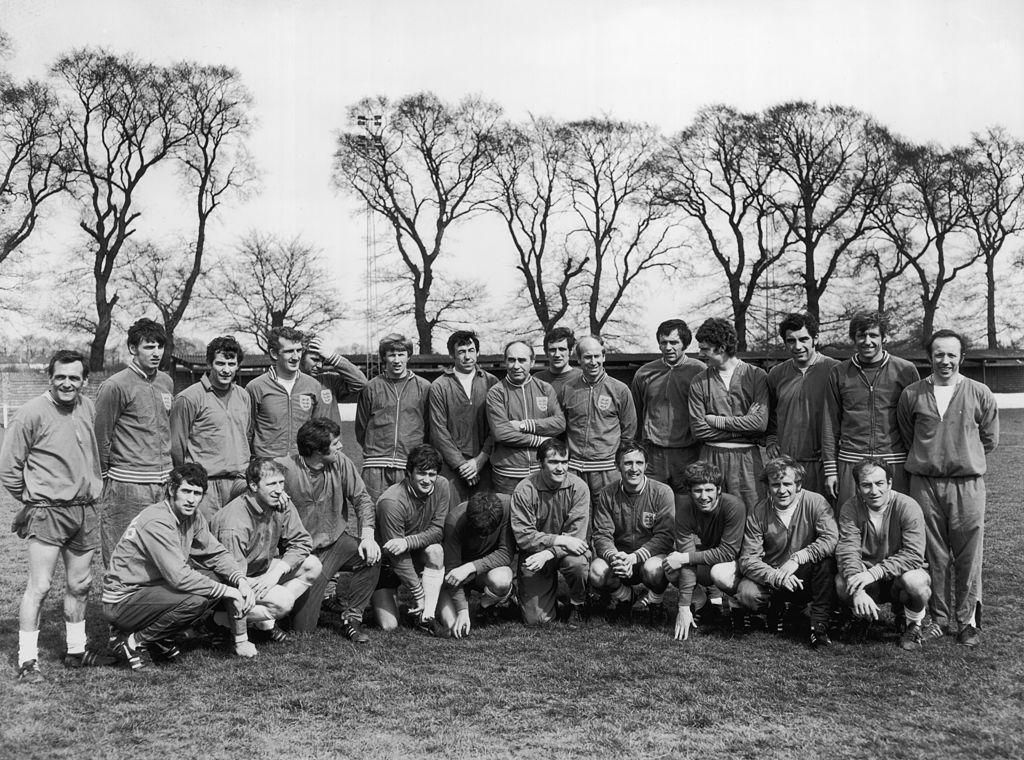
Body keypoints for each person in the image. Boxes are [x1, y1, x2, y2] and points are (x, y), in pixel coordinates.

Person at [1, 350, 110, 682]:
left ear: (84, 381)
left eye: (74, 378)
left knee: (81, 584)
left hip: (85, 510)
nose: (67, 383)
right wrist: (34, 499)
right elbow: (8, 469)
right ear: (50, 377)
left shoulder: (88, 408)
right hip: (49, 512)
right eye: (60, 376)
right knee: (40, 585)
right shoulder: (31, 413)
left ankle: (76, 651)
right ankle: (27, 659)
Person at [897, 329, 999, 648]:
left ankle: (967, 621)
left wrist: (960, 455)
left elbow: (990, 439)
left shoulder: (979, 392)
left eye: (951, 354)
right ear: (929, 357)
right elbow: (906, 434)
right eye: (939, 354)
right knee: (933, 554)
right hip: (924, 483)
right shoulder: (912, 394)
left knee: (968, 554)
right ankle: (938, 620)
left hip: (967, 484)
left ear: (961, 358)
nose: (945, 360)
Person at [102, 464, 255, 670]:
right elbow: (179, 577)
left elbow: (216, 553)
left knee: (217, 577)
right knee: (195, 601)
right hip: (124, 600)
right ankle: (134, 642)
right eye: (186, 491)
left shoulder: (193, 516)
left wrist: (240, 581)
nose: (191, 499)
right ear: (172, 489)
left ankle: (160, 638)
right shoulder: (157, 520)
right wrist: (231, 593)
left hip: (152, 590)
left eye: (197, 493)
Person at [277, 418, 381, 643]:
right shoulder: (283, 469)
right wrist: (271, 492)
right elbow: (246, 483)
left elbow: (362, 498)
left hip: (337, 543)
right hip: (304, 554)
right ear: (315, 450)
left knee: (371, 556)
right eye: (335, 443)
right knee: (302, 630)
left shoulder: (341, 462)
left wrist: (368, 536)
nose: (341, 446)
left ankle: (352, 617)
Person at [211, 458, 322, 657]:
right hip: (228, 581)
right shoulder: (234, 523)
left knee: (312, 565)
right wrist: (241, 640)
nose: (279, 490)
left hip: (258, 570)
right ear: (253, 486)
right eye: (271, 484)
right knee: (283, 602)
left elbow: (302, 542)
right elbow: (232, 577)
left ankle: (262, 618)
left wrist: (276, 573)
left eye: (281, 483)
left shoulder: (280, 503)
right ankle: (219, 619)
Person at [95, 317, 174, 566]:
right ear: (133, 348)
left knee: (160, 557)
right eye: (148, 346)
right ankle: (117, 605)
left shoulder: (166, 381)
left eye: (159, 347)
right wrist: (109, 477)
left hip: (164, 484)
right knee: (124, 557)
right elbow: (100, 436)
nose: (156, 353)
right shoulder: (115, 385)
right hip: (128, 486)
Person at [737, 456, 838, 649]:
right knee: (746, 594)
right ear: (767, 486)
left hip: (805, 573)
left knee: (826, 564)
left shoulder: (815, 502)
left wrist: (799, 557)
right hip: (774, 576)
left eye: (787, 484)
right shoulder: (758, 511)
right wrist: (775, 576)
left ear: (798, 485)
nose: (782, 490)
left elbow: (831, 539)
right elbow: (748, 559)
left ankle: (818, 626)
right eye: (775, 484)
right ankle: (777, 609)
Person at [822, 312, 919, 509]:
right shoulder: (839, 372)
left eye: (873, 335)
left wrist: (914, 463)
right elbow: (829, 423)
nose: (867, 341)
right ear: (854, 338)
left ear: (884, 337)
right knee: (851, 522)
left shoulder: (905, 370)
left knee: (894, 523)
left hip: (894, 459)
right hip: (852, 460)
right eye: (861, 335)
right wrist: (831, 470)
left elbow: (918, 420)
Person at [835, 458, 931, 651]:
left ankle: (913, 624)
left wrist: (875, 572)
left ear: (890, 483)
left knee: (916, 582)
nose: (874, 491)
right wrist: (858, 590)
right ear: (858, 487)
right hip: (869, 579)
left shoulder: (907, 506)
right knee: (842, 583)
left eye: (879, 483)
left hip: (898, 578)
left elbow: (913, 554)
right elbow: (848, 550)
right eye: (866, 485)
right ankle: (862, 618)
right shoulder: (850, 507)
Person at [689, 317, 769, 511]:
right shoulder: (699, 381)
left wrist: (718, 421)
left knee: (752, 512)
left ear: (722, 347)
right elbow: (699, 430)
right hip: (711, 457)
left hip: (747, 460)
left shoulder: (756, 376)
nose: (700, 354)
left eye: (705, 349)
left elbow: (759, 424)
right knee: (712, 513)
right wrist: (742, 429)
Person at [372, 444, 453, 636]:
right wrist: (418, 593)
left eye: (432, 474)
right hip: (387, 563)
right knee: (389, 625)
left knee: (436, 551)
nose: (427, 480)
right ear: (409, 473)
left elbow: (437, 531)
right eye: (421, 473)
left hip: (415, 552)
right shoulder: (391, 502)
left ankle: (427, 617)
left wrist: (408, 542)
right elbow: (395, 553)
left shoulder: (442, 485)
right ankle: (400, 599)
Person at [589, 442, 673, 624]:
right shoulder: (607, 493)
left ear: (646, 466)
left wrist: (635, 557)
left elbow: (665, 536)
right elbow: (602, 534)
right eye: (627, 463)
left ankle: (656, 603)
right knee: (596, 571)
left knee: (654, 570)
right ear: (617, 466)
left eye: (639, 463)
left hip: (649, 557)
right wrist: (614, 557)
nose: (634, 469)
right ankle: (626, 598)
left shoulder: (662, 492)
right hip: (620, 559)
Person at [170, 335, 251, 520]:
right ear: (209, 363)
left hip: (239, 482)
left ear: (238, 365)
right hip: (205, 485)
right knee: (203, 540)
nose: (226, 370)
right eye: (220, 363)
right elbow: (176, 446)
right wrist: (190, 483)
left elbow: (245, 435)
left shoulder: (244, 396)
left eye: (231, 364)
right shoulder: (189, 398)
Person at [662, 461, 746, 640]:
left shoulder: (734, 506)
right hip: (708, 559)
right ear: (690, 492)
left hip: (737, 563)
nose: (703, 496)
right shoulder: (685, 511)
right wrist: (683, 606)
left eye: (709, 490)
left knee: (718, 572)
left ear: (719, 490)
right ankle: (700, 604)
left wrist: (686, 557)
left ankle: (737, 606)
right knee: (671, 565)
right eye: (697, 491)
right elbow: (686, 556)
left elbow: (728, 552)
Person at [510, 438, 590, 627]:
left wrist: (550, 552)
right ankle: (524, 595)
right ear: (540, 464)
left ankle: (579, 603)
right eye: (553, 462)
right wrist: (558, 540)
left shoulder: (579, 487)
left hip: (568, 552)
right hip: (534, 554)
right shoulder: (524, 490)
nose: (560, 468)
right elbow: (524, 537)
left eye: (564, 462)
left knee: (577, 564)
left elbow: (577, 537)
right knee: (536, 621)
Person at [766, 313, 840, 498]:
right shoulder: (776, 374)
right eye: (791, 341)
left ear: (815, 338)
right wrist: (771, 439)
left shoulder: (835, 370)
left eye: (804, 339)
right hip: (787, 464)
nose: (797, 346)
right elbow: (769, 414)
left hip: (824, 464)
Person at [559, 336, 637, 510]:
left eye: (597, 356)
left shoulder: (620, 389)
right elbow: (560, 428)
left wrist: (618, 463)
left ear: (604, 357)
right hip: (574, 469)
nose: (593, 362)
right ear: (578, 359)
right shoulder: (568, 389)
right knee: (577, 518)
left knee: (609, 518)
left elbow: (629, 431)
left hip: (608, 470)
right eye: (587, 357)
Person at [355, 333, 431, 502]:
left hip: (409, 465)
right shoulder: (371, 387)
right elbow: (361, 427)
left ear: (408, 356)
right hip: (375, 466)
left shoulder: (424, 387)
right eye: (391, 355)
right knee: (372, 517)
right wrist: (375, 449)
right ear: (384, 357)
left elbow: (428, 426)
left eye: (401, 354)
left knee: (406, 517)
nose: (397, 360)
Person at [630, 319, 705, 490]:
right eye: (663, 343)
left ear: (684, 344)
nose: (668, 347)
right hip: (653, 453)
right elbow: (636, 413)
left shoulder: (699, 371)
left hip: (688, 452)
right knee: (653, 504)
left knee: (686, 505)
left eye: (674, 342)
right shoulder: (644, 373)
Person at [486, 340, 565, 495]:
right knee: (509, 517)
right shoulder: (496, 392)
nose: (516, 366)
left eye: (522, 360)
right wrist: (541, 440)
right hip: (508, 474)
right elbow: (501, 433)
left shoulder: (545, 389)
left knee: (541, 517)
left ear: (532, 362)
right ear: (505, 362)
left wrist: (525, 425)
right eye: (511, 360)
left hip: (541, 471)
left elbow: (560, 423)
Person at [428, 330, 499, 504]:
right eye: (461, 352)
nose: (467, 356)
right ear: (452, 355)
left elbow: (497, 425)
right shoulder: (439, 386)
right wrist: (461, 465)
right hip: (451, 467)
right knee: (452, 519)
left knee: (484, 517)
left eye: (471, 350)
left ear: (478, 352)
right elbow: (438, 431)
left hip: (485, 463)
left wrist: (480, 460)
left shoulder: (492, 382)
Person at [437, 490, 515, 638]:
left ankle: (486, 605)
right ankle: (464, 605)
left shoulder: (506, 507)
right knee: (452, 626)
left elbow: (506, 553)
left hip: (483, 571)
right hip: (457, 575)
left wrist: (470, 567)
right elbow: (452, 572)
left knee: (501, 580)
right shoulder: (454, 521)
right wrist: (462, 611)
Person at [247, 326, 321, 458]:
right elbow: (247, 432)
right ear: (274, 354)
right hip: (267, 467)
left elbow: (317, 431)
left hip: (301, 466)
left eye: (299, 350)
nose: (296, 357)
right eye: (289, 351)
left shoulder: (313, 385)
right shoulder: (256, 387)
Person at [300, 335, 367, 428]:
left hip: (331, 442)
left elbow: (361, 383)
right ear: (300, 356)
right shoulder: (289, 384)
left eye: (322, 361)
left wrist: (332, 357)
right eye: (314, 360)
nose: (319, 365)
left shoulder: (329, 381)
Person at [534, 326, 582, 395]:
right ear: (546, 352)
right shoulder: (537, 380)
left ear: (570, 351)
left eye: (562, 349)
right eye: (552, 350)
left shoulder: (581, 378)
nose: (557, 355)